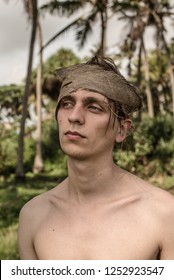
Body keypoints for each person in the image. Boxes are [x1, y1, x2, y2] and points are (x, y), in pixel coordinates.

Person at [18, 56, 174, 260]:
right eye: (67, 103)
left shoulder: (163, 213)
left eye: (93, 107)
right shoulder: (33, 215)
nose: (74, 116)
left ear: (122, 130)